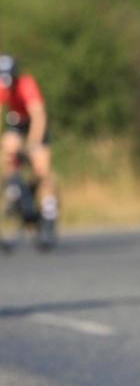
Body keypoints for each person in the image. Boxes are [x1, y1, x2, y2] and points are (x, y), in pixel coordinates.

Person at [0, 55, 60, 247]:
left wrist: (33, 144)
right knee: (8, 146)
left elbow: (38, 115)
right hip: (17, 122)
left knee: (42, 167)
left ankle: (50, 210)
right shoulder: (2, 86)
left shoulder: (27, 84)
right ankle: (13, 191)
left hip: (35, 125)